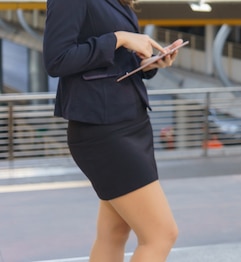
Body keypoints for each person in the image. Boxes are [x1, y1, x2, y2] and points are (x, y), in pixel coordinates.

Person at [43, 0, 180, 261]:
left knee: (114, 233)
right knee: (161, 234)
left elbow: (113, 64)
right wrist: (118, 38)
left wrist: (149, 64)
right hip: (103, 129)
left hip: (131, 121)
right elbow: (56, 60)